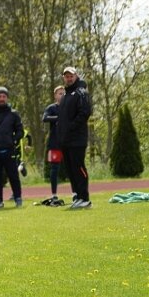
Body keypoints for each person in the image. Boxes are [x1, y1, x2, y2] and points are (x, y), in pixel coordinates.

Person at [57, 66, 93, 209]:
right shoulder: (65, 95)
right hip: (65, 140)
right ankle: (77, 195)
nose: (69, 78)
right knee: (70, 169)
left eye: (71, 75)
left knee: (78, 167)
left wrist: (72, 127)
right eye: (66, 76)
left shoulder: (81, 92)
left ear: (76, 76)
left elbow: (85, 112)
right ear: (64, 78)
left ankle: (85, 198)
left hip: (77, 139)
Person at [42, 86, 66, 206]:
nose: (62, 95)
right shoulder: (51, 108)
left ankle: (76, 193)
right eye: (60, 93)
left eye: (64, 93)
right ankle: (54, 194)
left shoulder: (70, 108)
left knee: (72, 168)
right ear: (55, 96)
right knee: (54, 169)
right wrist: (58, 118)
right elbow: (44, 118)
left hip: (68, 143)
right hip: (55, 144)